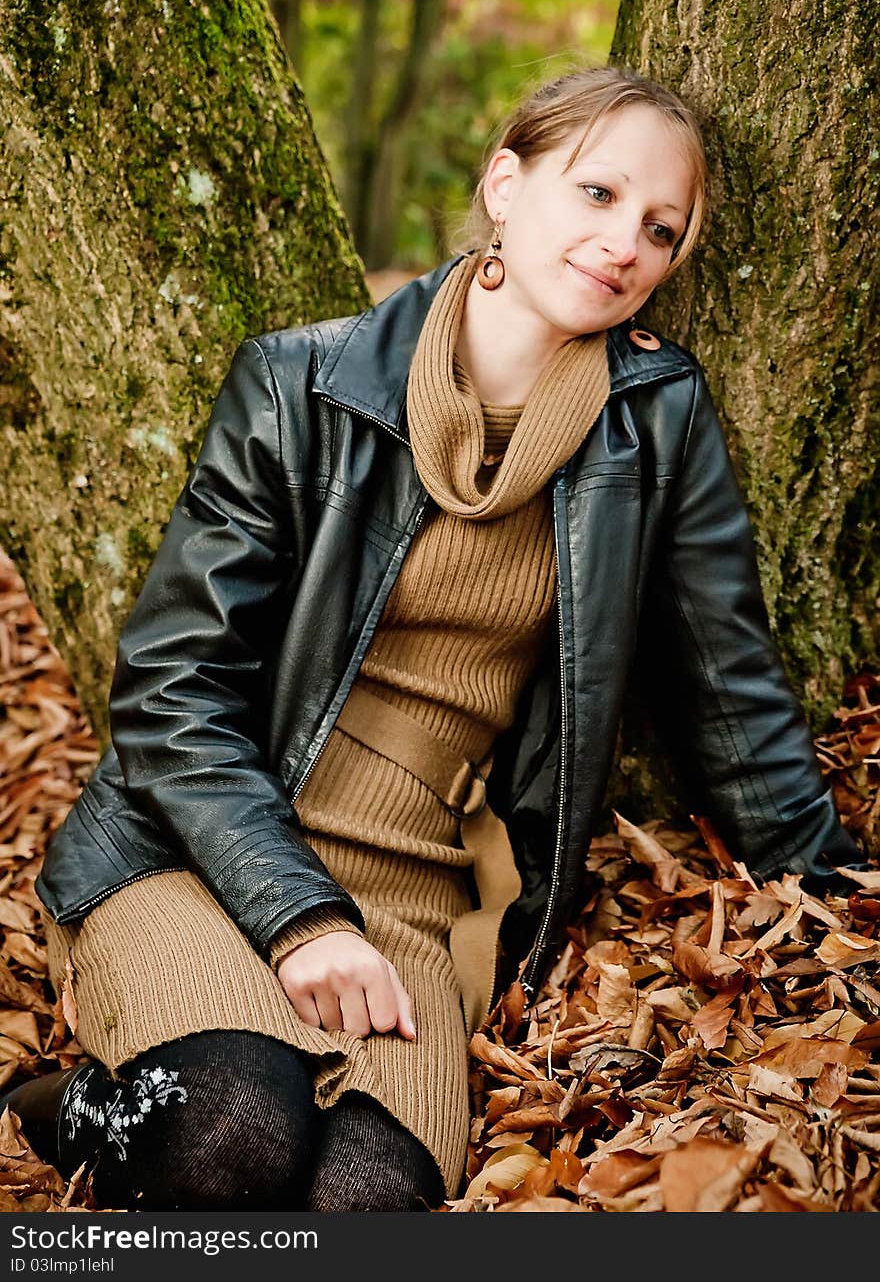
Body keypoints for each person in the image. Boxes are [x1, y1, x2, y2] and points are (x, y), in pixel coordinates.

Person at [4, 64, 865, 1212]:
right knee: (230, 1138)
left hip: (411, 898)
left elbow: (727, 683)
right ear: (506, 184)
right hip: (198, 853)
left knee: (366, 1202)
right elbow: (171, 695)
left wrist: (838, 893)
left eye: (662, 229)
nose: (627, 245)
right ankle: (61, 1111)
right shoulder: (298, 383)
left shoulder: (657, 419)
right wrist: (299, 915)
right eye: (598, 195)